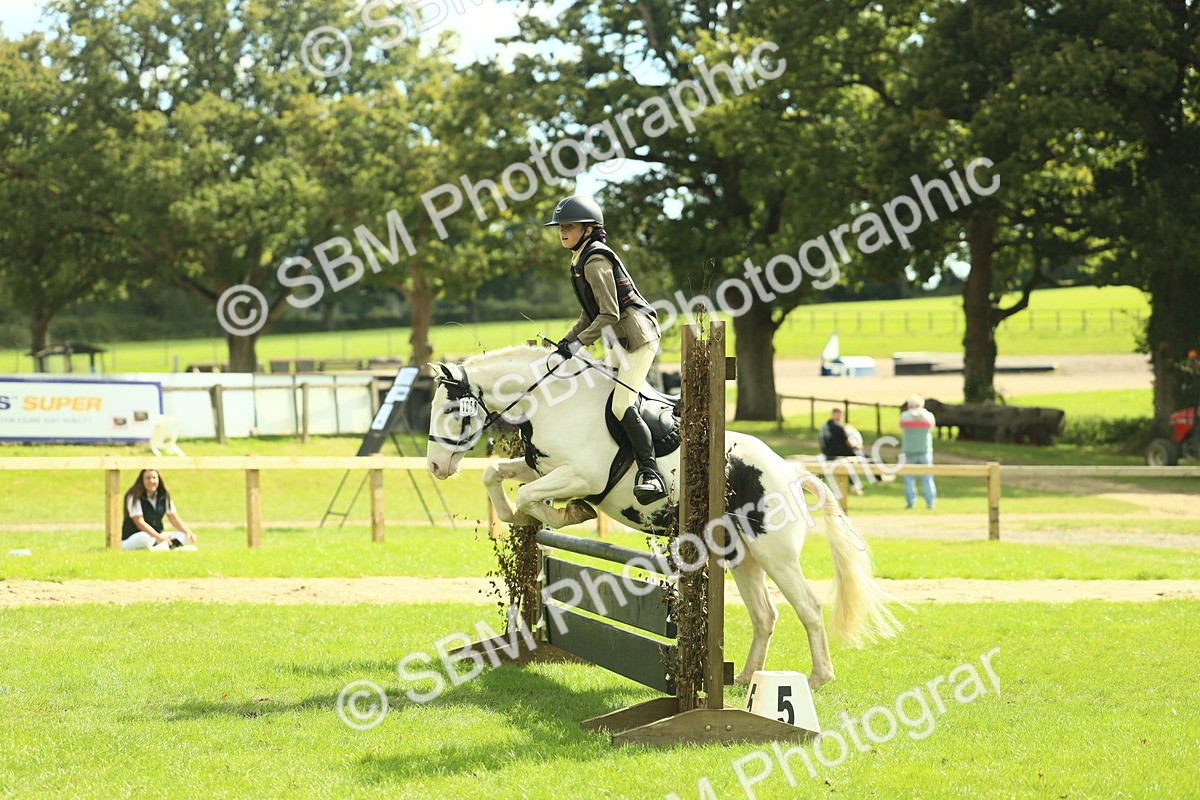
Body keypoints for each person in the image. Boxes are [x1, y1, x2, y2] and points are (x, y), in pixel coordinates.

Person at [545, 194, 666, 503]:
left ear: (588, 229)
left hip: (637, 337)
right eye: (560, 227)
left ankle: (651, 473)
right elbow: (589, 315)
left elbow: (609, 313)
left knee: (620, 405)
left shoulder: (595, 261)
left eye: (569, 226)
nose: (562, 232)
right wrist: (565, 342)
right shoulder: (580, 259)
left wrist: (577, 344)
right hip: (618, 338)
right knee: (601, 398)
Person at [120, 469, 198, 551]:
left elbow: (173, 518)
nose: (151, 481)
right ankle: (167, 548)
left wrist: (188, 532)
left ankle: (158, 548)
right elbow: (139, 522)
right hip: (136, 536)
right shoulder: (134, 496)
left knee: (183, 535)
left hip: (156, 536)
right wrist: (158, 537)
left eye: (154, 478)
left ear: (158, 479)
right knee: (145, 537)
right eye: (148, 478)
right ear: (142, 480)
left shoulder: (164, 495)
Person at [900, 395, 937, 509]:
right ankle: (930, 503)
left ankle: (910, 503)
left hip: (909, 451)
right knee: (927, 478)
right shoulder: (928, 416)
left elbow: (901, 426)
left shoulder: (904, 416)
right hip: (925, 451)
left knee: (909, 479)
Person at [819, 408, 864, 495]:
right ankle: (855, 485)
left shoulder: (825, 426)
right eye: (840, 415)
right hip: (837, 453)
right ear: (836, 415)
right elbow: (847, 442)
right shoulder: (837, 427)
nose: (841, 417)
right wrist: (857, 446)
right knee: (859, 456)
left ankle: (853, 485)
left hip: (827, 453)